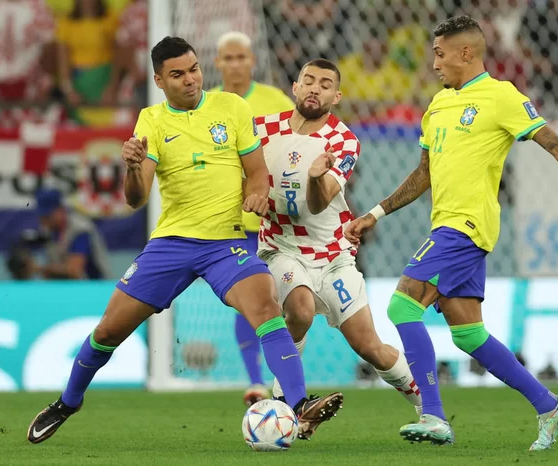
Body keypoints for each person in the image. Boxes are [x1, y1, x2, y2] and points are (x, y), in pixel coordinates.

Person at [345, 15, 558, 450]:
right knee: (468, 334)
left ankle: (433, 416)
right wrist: (376, 211)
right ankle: (549, 405)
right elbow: (423, 173)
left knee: (403, 307)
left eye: (440, 54)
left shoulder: (501, 97)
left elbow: (555, 144)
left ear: (467, 53)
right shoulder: (437, 106)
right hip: (445, 223)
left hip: (466, 225)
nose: (434, 64)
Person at [27, 36, 342, 445]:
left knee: (266, 306)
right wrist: (133, 168)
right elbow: (136, 198)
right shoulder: (151, 120)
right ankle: (68, 402)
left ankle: (298, 405)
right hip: (171, 243)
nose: (191, 79)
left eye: (193, 69)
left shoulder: (231, 107)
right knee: (107, 332)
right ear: (159, 80)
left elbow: (257, 171)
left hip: (226, 243)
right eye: (178, 74)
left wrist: (258, 192)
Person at [256, 58, 422, 418]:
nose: (316, 88)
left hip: (332, 253)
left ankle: (429, 407)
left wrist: (316, 177)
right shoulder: (261, 129)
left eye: (326, 84)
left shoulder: (343, 140)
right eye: (309, 80)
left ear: (337, 96)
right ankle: (289, 405)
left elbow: (316, 205)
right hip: (281, 247)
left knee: (369, 346)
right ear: (295, 87)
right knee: (298, 309)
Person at [212, 31, 294, 406]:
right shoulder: (207, 105)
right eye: (227, 58)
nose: (235, 64)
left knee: (284, 300)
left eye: (240, 57)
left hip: (275, 220)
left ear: (252, 61)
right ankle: (256, 380)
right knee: (248, 298)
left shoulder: (275, 101)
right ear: (218, 64)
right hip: (233, 222)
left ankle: (284, 378)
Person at [31, 187, 111, 280]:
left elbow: (74, 271)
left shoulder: (80, 229)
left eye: (47, 215)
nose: (43, 220)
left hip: (96, 288)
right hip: (68, 289)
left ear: (60, 210)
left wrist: (37, 268)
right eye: (41, 216)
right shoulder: (48, 230)